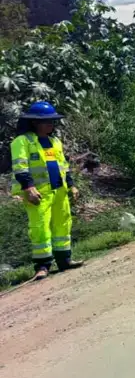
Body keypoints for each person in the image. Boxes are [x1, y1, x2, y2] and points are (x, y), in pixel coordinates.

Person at [9, 102, 82, 280]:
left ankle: (64, 260)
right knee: (40, 228)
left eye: (52, 121)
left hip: (59, 191)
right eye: (47, 121)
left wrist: (71, 185)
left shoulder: (54, 141)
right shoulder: (22, 142)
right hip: (38, 193)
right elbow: (20, 167)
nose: (51, 125)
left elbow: (63, 166)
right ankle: (42, 265)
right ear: (35, 122)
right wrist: (28, 187)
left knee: (63, 224)